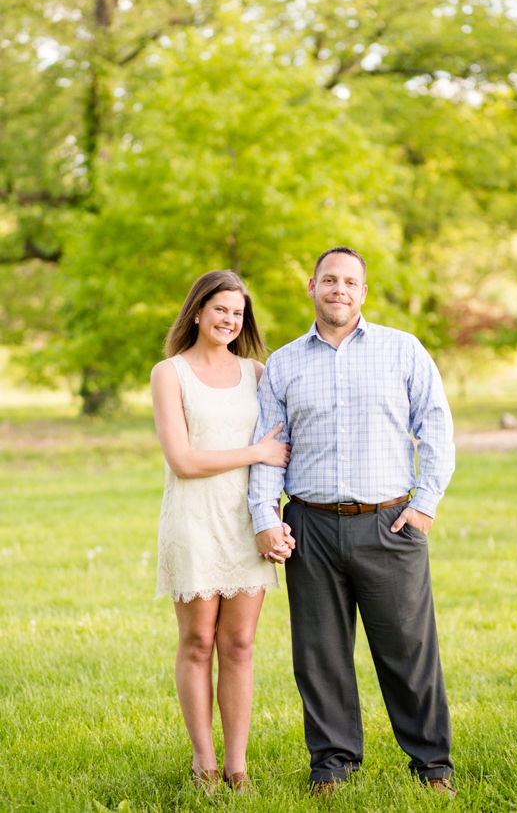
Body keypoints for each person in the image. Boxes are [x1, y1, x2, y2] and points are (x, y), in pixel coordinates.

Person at [247, 246, 458, 797]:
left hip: (389, 524)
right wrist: (265, 516)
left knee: (409, 651)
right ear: (311, 287)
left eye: (350, 282)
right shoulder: (285, 364)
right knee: (319, 654)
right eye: (329, 280)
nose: (338, 289)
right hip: (309, 528)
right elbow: (269, 446)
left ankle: (433, 765)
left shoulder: (402, 350)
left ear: (363, 292)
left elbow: (435, 427)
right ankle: (332, 764)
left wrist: (425, 505)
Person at [151, 270, 295, 793]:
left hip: (246, 526)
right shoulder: (169, 373)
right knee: (197, 643)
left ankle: (237, 768)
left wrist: (274, 519)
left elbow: (282, 454)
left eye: (237, 313)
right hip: (192, 522)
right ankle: (204, 763)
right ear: (197, 311)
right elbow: (183, 460)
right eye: (220, 310)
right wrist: (255, 452)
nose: (229, 321)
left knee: (239, 645)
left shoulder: (257, 373)